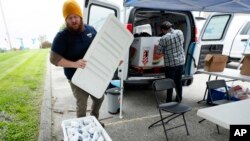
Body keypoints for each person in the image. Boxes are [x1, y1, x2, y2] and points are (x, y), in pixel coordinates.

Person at [50, 0, 104, 122]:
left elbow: (100, 48)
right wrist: (74, 64)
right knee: (82, 103)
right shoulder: (62, 37)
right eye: (69, 18)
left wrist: (113, 60)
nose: (73, 20)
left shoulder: (91, 30)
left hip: (92, 72)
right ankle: (81, 126)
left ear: (80, 16)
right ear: (66, 20)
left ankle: (94, 121)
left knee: (99, 97)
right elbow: (53, 59)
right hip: (75, 77)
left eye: (75, 17)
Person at [156, 21, 185, 102]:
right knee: (178, 81)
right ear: (171, 27)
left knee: (169, 82)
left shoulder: (163, 38)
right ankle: (179, 99)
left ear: (162, 30)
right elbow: (181, 43)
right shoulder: (180, 32)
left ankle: (168, 100)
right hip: (181, 62)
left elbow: (158, 53)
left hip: (170, 64)